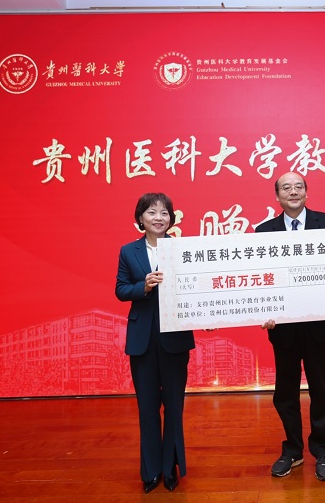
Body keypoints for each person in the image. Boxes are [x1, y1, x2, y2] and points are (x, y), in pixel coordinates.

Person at [257, 171, 325, 481]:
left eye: (298, 186)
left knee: (321, 390)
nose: (293, 191)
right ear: (277, 197)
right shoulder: (264, 232)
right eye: (286, 188)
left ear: (306, 192)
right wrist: (263, 308)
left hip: (318, 324)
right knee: (285, 392)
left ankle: (322, 450)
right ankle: (293, 450)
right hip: (283, 327)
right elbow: (260, 277)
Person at [115, 193, 195, 493]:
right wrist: (143, 286)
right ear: (140, 218)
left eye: (164, 212)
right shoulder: (128, 251)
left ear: (171, 218)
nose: (158, 217)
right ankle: (150, 471)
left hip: (175, 336)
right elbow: (121, 289)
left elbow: (196, 290)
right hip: (143, 338)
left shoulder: (182, 249)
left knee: (174, 406)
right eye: (151, 212)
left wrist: (206, 314)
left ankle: (170, 468)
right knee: (147, 407)